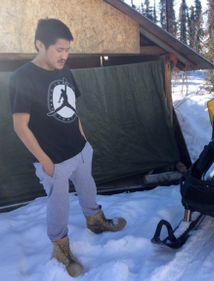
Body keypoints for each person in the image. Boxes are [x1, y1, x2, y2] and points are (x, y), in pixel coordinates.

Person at [9, 18, 126, 277]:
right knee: (58, 205)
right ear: (40, 44)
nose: (65, 55)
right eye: (59, 49)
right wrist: (45, 160)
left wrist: (84, 141)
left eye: (68, 49)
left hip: (79, 149)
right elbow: (20, 126)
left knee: (88, 187)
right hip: (53, 159)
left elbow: (73, 109)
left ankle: (95, 221)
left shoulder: (65, 70)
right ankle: (61, 248)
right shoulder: (22, 78)